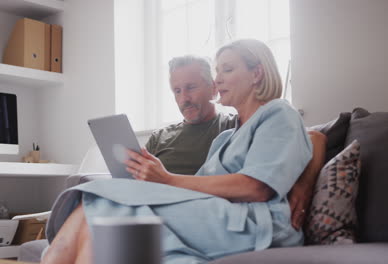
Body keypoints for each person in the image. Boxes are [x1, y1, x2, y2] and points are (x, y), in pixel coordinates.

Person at [43, 39, 318, 264]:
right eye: (217, 71)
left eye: (227, 69)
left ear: (256, 74)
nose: (218, 79)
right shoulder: (225, 139)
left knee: (106, 204)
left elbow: (259, 187)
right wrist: (153, 179)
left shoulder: (278, 112)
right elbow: (196, 192)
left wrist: (167, 180)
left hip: (255, 224)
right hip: (220, 216)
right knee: (100, 210)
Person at [146, 55, 326, 230]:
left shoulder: (243, 124)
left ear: (212, 88)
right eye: (177, 91)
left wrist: (304, 185)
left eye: (191, 87)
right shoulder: (163, 136)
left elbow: (313, 137)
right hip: (173, 204)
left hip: (213, 213)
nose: (184, 99)